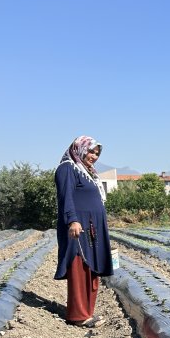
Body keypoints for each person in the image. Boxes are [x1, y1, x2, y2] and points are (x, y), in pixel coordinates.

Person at [54, 135, 114, 327]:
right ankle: (78, 316)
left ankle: (87, 312)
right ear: (79, 149)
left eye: (97, 153)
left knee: (92, 268)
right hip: (79, 228)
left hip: (93, 229)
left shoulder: (88, 172)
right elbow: (66, 197)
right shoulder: (67, 168)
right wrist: (72, 220)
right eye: (90, 151)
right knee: (79, 268)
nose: (94, 156)